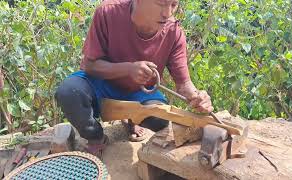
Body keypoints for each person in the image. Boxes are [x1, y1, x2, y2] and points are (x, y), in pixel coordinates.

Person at [54, 0, 213, 158]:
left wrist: (198, 97)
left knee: (160, 118)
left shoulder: (174, 32)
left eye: (173, 4)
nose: (168, 13)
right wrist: (128, 69)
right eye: (161, 4)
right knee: (69, 92)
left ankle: (132, 120)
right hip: (101, 83)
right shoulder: (108, 12)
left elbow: (184, 84)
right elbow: (89, 65)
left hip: (141, 92)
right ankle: (95, 137)